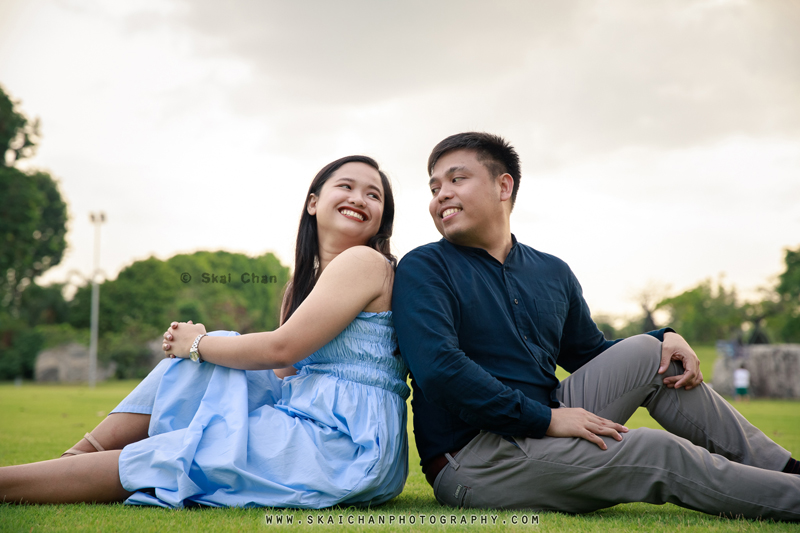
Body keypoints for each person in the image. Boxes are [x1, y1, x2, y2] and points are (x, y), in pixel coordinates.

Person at [392, 132, 800, 521]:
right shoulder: (425, 266)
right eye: (433, 188)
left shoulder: (551, 271)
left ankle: (788, 469)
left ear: (503, 186)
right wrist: (546, 420)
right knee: (654, 450)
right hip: (475, 459)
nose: (441, 194)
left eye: (456, 179)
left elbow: (588, 352)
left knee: (651, 354)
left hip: (546, 424)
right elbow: (439, 370)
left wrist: (665, 338)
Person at [0, 155, 409, 508]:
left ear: (380, 220)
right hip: (314, 420)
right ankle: (68, 462)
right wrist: (202, 354)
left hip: (348, 445)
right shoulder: (302, 286)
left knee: (172, 452)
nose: (359, 198)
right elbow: (284, 375)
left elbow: (282, 349)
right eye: (347, 186)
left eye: (373, 195)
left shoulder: (364, 262)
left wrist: (199, 343)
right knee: (203, 366)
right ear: (313, 203)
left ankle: (26, 479)